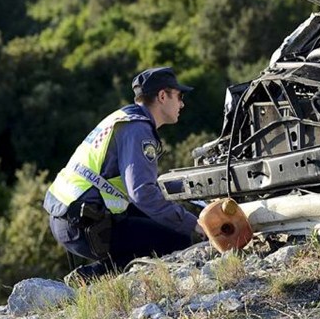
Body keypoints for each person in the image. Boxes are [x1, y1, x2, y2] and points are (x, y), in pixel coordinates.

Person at [43, 67, 202, 283]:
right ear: (163, 96)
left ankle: (100, 272)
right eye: (179, 96)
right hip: (84, 225)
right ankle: (92, 276)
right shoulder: (138, 131)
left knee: (164, 222)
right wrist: (194, 223)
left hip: (68, 215)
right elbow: (142, 193)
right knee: (178, 237)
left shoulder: (124, 118)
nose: (182, 104)